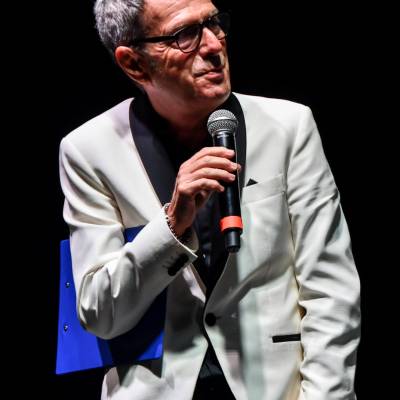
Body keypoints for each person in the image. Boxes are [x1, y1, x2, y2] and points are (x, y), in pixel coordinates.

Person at [59, 0, 361, 398]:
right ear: (134, 64)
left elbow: (331, 291)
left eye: (213, 23)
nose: (214, 45)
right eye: (185, 35)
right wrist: (171, 226)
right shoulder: (89, 150)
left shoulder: (288, 127)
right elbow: (98, 313)